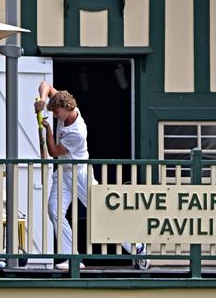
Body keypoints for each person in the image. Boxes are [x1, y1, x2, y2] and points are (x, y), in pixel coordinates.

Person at [34, 81, 149, 270]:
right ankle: (72, 257)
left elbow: (53, 151)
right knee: (54, 210)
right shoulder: (65, 105)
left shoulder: (77, 133)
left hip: (80, 174)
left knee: (101, 213)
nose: (55, 116)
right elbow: (45, 84)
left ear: (66, 108)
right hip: (63, 172)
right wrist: (42, 100)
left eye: (56, 113)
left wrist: (47, 129)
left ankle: (137, 247)